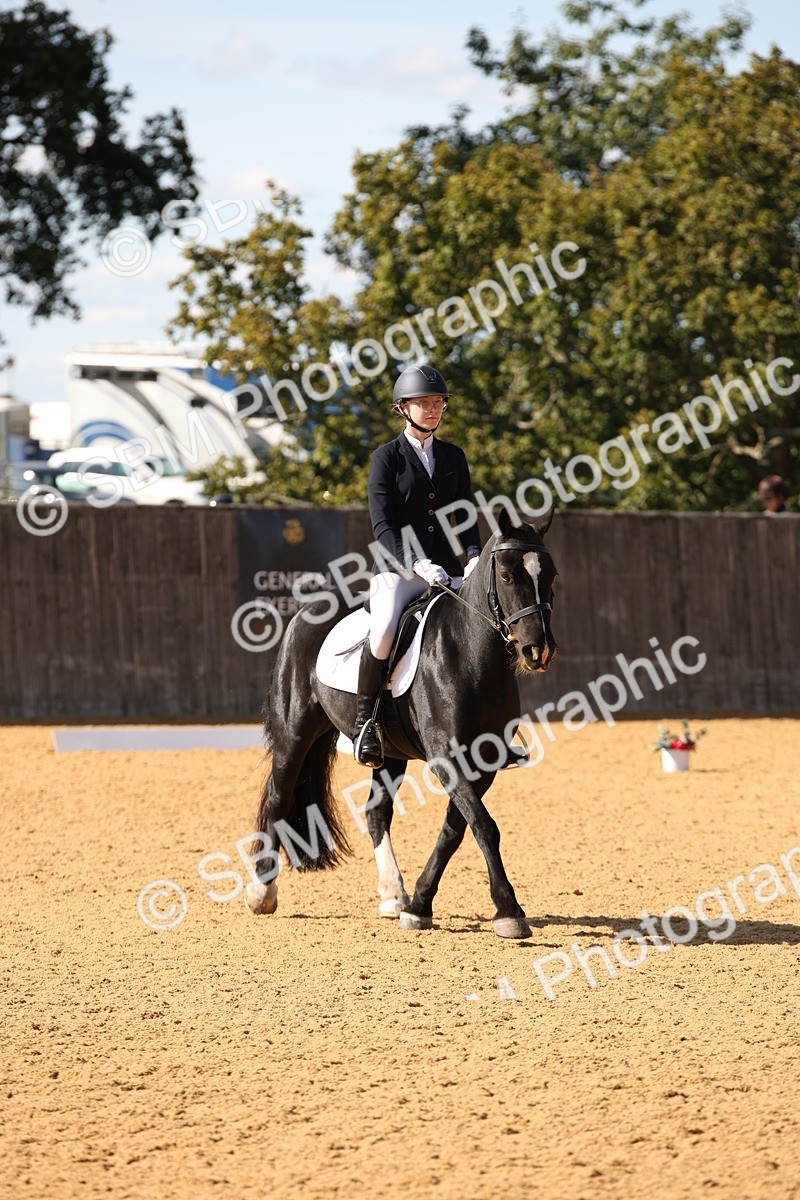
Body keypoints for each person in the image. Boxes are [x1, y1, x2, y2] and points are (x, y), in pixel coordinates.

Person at [352, 364, 482, 768]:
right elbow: (382, 524)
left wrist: (475, 554)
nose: (433, 409)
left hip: (447, 569)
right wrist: (415, 563)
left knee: (488, 625)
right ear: (402, 408)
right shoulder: (386, 458)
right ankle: (365, 724)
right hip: (398, 569)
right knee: (386, 628)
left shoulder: (453, 457)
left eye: (438, 402)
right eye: (423, 403)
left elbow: (464, 513)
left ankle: (494, 723)